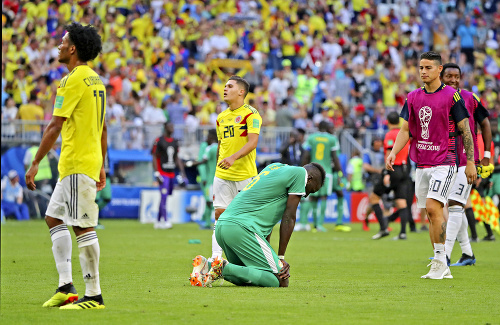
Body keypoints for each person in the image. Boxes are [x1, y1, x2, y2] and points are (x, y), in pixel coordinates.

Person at [25, 23, 107, 309]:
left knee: (83, 226)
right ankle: (66, 286)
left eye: (62, 42)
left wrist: (35, 162)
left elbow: (54, 125)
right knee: (53, 217)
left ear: (73, 48)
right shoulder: (96, 80)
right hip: (86, 161)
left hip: (76, 162)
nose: (58, 46)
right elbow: (103, 127)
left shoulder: (71, 80)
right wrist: (102, 164)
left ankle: (94, 295)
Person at [386, 51, 476, 280]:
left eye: (428, 68)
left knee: (435, 209)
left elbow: (466, 130)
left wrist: (471, 162)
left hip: (445, 161)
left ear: (439, 69)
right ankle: (440, 262)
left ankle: (440, 261)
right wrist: (394, 152)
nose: (423, 72)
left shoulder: (452, 97)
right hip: (422, 163)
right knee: (429, 214)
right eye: (421, 68)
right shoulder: (413, 97)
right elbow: (405, 131)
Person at [191, 162, 325, 287]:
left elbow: (268, 223)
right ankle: (219, 267)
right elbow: (289, 217)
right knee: (281, 280)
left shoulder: (274, 167)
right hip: (242, 229)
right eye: (311, 190)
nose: (306, 195)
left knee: (248, 274)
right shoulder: (301, 173)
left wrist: (270, 256)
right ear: (310, 179)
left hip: (223, 227)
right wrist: (280, 258)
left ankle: (210, 267)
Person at [440, 63, 492, 266]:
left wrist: (486, 156)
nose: (453, 80)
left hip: (466, 160)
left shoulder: (470, 98)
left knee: (454, 206)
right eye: (448, 76)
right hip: (444, 159)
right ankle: (468, 254)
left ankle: (443, 255)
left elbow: (485, 124)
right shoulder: (438, 98)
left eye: (456, 76)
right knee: (455, 207)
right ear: (441, 77)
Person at [211, 76, 262, 262]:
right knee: (219, 216)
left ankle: (248, 259)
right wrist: (219, 164)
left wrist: (233, 157)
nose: (225, 89)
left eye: (230, 86)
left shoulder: (251, 114)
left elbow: (253, 142)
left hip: (245, 175)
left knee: (244, 221)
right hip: (222, 175)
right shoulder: (221, 117)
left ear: (241, 92)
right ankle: (216, 259)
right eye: (224, 86)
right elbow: (221, 145)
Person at [300, 121, 350, 232]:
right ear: (327, 128)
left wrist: (302, 168)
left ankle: (312, 224)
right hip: (326, 173)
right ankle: (319, 225)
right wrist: (341, 173)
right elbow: (335, 158)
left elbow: (306, 155)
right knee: (323, 197)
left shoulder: (311, 137)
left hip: (312, 171)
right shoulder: (332, 139)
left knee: (312, 196)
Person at [371, 112, 412, 240]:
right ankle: (403, 233)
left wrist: (386, 173)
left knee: (373, 198)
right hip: (404, 169)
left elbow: (389, 153)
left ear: (387, 121)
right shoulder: (405, 134)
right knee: (402, 203)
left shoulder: (390, 134)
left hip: (393, 169)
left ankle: (383, 228)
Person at [151, 122, 188, 229]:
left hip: (171, 173)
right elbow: (154, 156)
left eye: (173, 126)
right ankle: (166, 221)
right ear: (165, 128)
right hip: (162, 173)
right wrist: (156, 173)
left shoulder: (175, 142)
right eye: (170, 126)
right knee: (163, 196)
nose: (172, 128)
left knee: (166, 196)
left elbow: (177, 158)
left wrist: (182, 172)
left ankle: (158, 221)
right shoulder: (159, 141)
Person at [185, 129, 218, 230]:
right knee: (216, 201)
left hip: (210, 180)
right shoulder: (221, 147)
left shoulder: (209, 148)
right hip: (220, 179)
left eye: (208, 136)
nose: (206, 138)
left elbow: (202, 161)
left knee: (209, 201)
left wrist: (190, 164)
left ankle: (208, 223)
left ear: (211, 137)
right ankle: (210, 220)